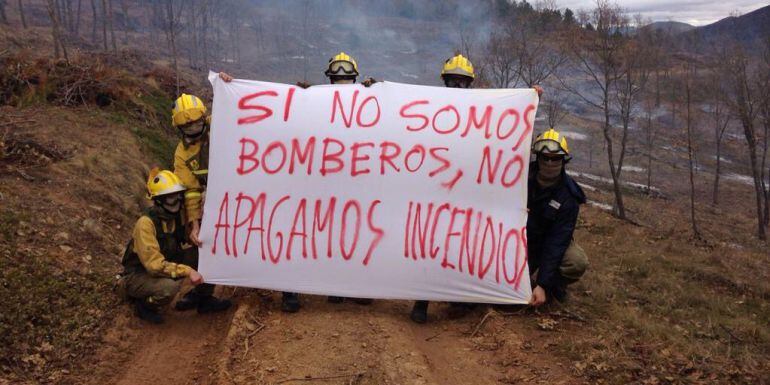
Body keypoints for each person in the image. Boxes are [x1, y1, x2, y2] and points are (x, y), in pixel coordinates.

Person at [217, 52, 375, 311]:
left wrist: (377, 91)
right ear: (330, 80)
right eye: (337, 79)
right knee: (317, 233)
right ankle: (315, 287)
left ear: (355, 79)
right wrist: (231, 88)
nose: (342, 84)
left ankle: (349, 286)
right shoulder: (312, 101)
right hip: (319, 184)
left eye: (347, 79)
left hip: (353, 184)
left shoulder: (369, 104)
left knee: (351, 234)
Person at [120, 168, 231, 324]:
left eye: (178, 196)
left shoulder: (176, 216)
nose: (176, 202)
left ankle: (204, 299)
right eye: (170, 198)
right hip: (139, 274)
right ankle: (144, 304)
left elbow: (188, 237)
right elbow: (154, 265)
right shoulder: (145, 224)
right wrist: (187, 271)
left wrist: (199, 235)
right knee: (169, 288)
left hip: (167, 260)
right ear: (158, 199)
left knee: (205, 253)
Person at [527, 128, 589, 306]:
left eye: (555, 159)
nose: (549, 163)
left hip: (547, 242)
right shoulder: (517, 176)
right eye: (544, 157)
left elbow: (557, 241)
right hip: (519, 241)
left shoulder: (569, 196)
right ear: (537, 157)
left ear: (563, 160)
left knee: (576, 261)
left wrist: (542, 284)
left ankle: (551, 288)